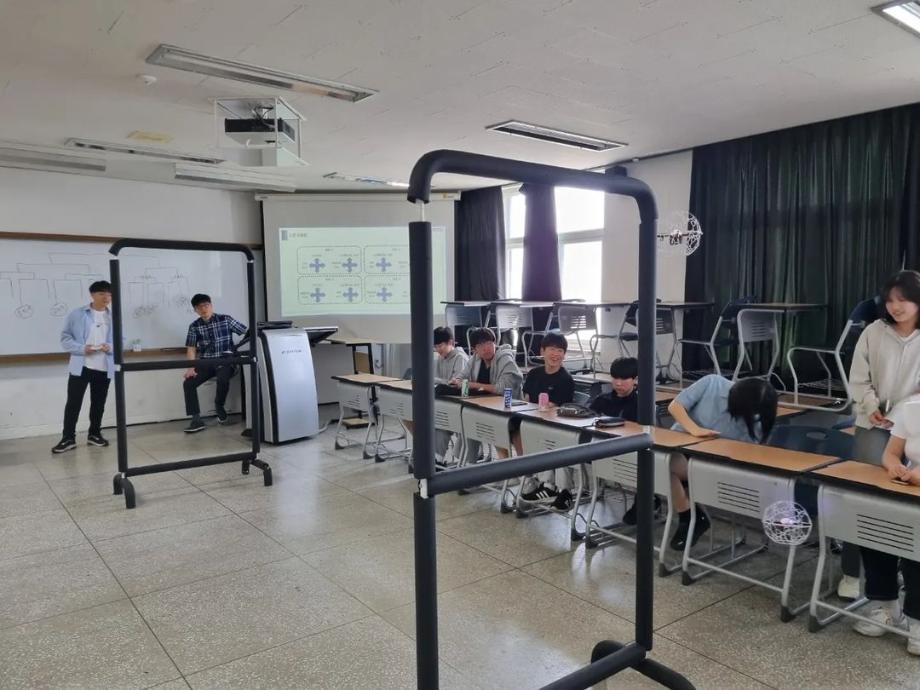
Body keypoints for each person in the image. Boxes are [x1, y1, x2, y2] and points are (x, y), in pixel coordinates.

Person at [840, 270, 920, 598]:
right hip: (872, 423)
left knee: (903, 499)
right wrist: (870, 405)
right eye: (890, 300)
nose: (895, 306)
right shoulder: (873, 331)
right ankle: (851, 573)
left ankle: (897, 570)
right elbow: (858, 378)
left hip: (912, 427)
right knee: (861, 495)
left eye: (903, 299)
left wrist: (900, 416)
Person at [666, 374, 778, 550]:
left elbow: (748, 453)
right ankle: (690, 515)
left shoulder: (757, 419)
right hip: (680, 446)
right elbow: (675, 406)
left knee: (665, 466)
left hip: (712, 462)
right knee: (660, 461)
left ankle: (688, 517)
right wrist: (695, 429)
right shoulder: (712, 383)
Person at [852, 395, 920, 655]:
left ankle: (917, 620)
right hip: (910, 490)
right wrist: (895, 468)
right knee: (876, 529)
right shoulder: (910, 407)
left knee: (917, 549)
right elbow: (891, 453)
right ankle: (886, 605)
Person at [588, 356, 659, 523]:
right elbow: (588, 420)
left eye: (624, 379)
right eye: (615, 378)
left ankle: (645, 499)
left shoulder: (642, 403)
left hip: (629, 452)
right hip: (602, 449)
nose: (618, 383)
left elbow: (647, 434)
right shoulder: (602, 400)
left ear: (635, 380)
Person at [513, 333, 576, 508]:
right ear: (542, 351)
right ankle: (529, 475)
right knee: (513, 427)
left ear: (564, 354)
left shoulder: (565, 379)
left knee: (539, 434)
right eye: (552, 349)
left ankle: (548, 485)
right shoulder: (534, 373)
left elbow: (556, 408)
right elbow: (526, 399)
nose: (555, 354)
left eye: (560, 350)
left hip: (553, 426)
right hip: (532, 420)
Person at [52, 281, 115, 453]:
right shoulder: (77, 314)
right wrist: (81, 349)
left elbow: (121, 340)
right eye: (102, 294)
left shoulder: (114, 316)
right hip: (82, 366)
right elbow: (65, 338)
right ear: (92, 295)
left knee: (99, 403)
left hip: (104, 366)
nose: (106, 297)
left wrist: (110, 346)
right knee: (73, 403)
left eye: (109, 294)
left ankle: (94, 434)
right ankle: (68, 438)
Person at [450, 327, 523, 463]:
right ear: (474, 350)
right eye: (480, 345)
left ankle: (505, 466)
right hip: (486, 408)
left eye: (489, 343)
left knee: (483, 421)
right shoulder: (475, 359)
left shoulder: (505, 359)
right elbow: (461, 377)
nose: (486, 348)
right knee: (468, 417)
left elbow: (503, 388)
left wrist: (473, 385)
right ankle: (469, 463)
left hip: (509, 410)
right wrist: (457, 381)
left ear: (495, 343)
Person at [182, 293, 247, 433]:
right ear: (195, 310)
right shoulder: (194, 326)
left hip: (225, 361)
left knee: (223, 378)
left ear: (211, 306)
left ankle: (219, 406)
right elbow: (191, 348)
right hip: (206, 362)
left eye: (206, 305)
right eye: (199, 307)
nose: (203, 309)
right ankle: (196, 419)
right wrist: (190, 368)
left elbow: (246, 332)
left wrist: (235, 350)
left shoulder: (225, 319)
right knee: (188, 383)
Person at [405, 327, 469, 462]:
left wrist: (431, 380)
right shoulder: (441, 358)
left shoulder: (460, 358)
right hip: (442, 403)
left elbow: (456, 385)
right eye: (435, 347)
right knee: (411, 415)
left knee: (438, 424)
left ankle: (435, 458)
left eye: (440, 346)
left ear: (450, 342)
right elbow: (438, 382)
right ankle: (428, 452)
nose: (438, 349)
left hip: (457, 404)